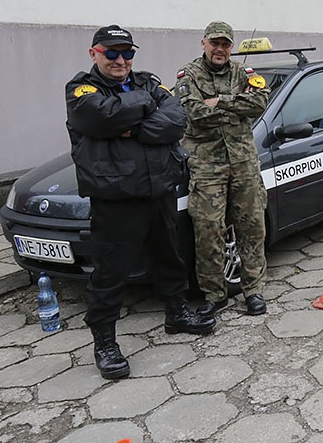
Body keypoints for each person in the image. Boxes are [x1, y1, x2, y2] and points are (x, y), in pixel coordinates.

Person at [66, 25, 215, 380]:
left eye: (127, 53)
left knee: (170, 256)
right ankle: (105, 342)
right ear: (94, 54)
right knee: (111, 272)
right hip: (116, 197)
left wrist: (131, 125)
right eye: (112, 53)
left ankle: (177, 313)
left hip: (159, 188)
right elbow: (101, 117)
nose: (120, 60)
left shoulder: (149, 81)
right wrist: (144, 109)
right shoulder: (81, 90)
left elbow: (177, 119)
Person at [176, 21, 270, 318]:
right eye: (215, 43)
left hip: (243, 162)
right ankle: (214, 295)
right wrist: (235, 105)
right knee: (208, 230)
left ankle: (253, 291)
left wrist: (220, 100)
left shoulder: (244, 73)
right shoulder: (188, 74)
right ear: (203, 43)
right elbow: (192, 111)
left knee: (252, 227)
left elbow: (260, 102)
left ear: (232, 47)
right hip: (207, 165)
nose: (220, 49)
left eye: (226, 44)